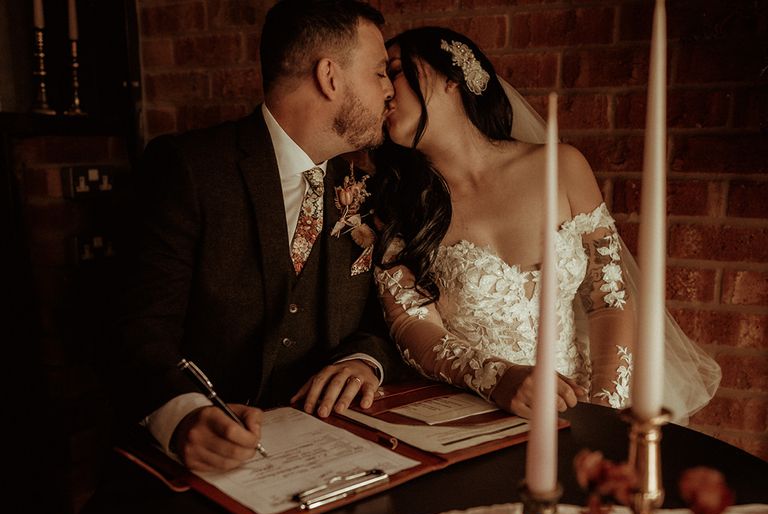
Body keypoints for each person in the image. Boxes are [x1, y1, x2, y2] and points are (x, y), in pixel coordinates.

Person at [112, 0, 405, 472]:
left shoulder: (364, 190)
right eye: (378, 73)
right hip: (200, 466)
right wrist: (184, 416)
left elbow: (382, 318)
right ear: (330, 77)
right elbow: (140, 327)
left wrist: (363, 361)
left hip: (333, 452)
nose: (391, 92)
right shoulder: (189, 169)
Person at [371, 26, 720, 422]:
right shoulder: (393, 203)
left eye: (394, 71)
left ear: (452, 75)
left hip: (586, 403)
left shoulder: (562, 167)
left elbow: (609, 299)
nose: (383, 90)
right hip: (474, 415)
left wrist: (603, 411)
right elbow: (412, 327)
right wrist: (496, 378)